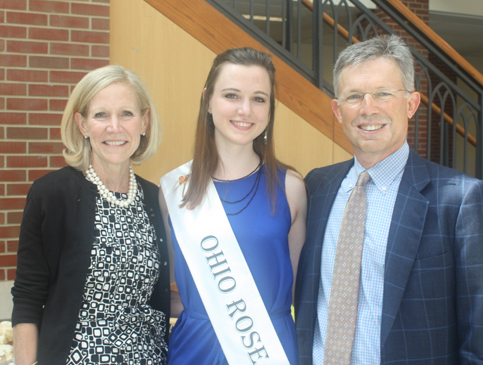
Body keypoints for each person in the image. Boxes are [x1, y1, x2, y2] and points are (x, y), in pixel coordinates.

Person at [295, 34, 483, 364]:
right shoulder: (316, 186)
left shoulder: (461, 200)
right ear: (337, 110)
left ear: (411, 103)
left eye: (383, 94)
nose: (368, 108)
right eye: (354, 96)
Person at [11, 65, 170, 365]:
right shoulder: (51, 194)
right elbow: (29, 298)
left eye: (126, 114)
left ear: (144, 122)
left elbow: (158, 295)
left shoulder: (157, 199)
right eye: (100, 115)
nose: (114, 127)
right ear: (82, 124)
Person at [159, 47, 307, 365]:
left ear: (270, 109)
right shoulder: (174, 190)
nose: (245, 110)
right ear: (208, 101)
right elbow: (165, 288)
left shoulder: (292, 188)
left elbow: (300, 293)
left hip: (268, 350)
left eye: (258, 98)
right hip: (193, 350)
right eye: (231, 95)